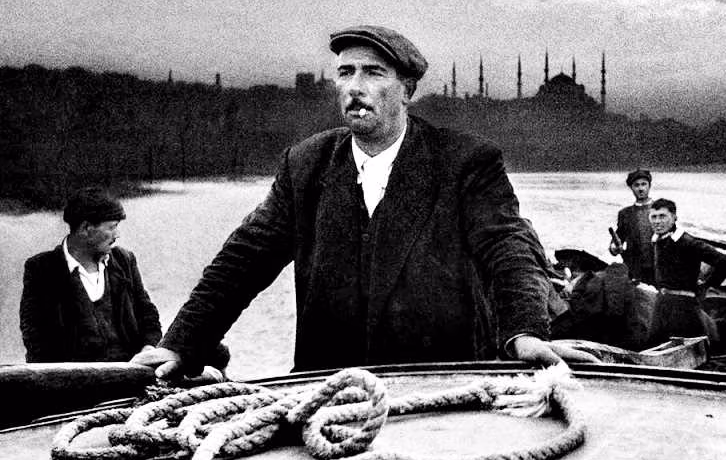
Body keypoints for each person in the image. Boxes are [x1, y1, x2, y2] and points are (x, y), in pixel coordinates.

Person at [133, 25, 591, 379]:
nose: (355, 86)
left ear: (407, 90)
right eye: (345, 72)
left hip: (441, 387)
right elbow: (242, 261)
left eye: (373, 73)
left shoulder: (465, 162)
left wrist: (525, 333)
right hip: (327, 391)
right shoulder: (305, 164)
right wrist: (181, 345)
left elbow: (507, 248)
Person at [20, 187, 162, 363]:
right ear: (86, 228)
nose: (117, 235)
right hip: (69, 376)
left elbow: (148, 317)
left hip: (130, 371)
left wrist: (148, 349)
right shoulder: (42, 269)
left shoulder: (124, 261)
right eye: (112, 227)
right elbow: (35, 337)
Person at [645, 198, 726, 346]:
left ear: (674, 218)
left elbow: (725, 261)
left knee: (687, 350)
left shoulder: (688, 242)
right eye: (654, 217)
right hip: (662, 305)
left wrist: (707, 285)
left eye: (662, 216)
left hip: (684, 308)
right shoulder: (657, 241)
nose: (657, 221)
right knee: (652, 347)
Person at [608, 168, 655, 284]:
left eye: (644, 184)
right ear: (631, 188)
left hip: (660, 269)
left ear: (649, 186)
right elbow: (617, 239)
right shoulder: (625, 214)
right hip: (635, 270)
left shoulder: (661, 209)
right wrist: (614, 248)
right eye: (636, 185)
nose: (641, 188)